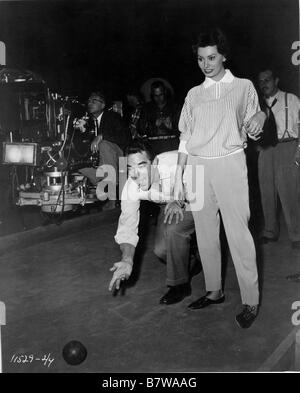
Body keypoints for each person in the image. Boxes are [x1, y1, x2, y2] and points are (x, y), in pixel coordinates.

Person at [173, 28, 267, 329]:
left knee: (238, 233)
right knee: (205, 233)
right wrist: (179, 180)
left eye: (212, 57)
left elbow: (256, 122)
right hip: (198, 167)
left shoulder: (243, 87)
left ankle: (250, 300)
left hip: (229, 163)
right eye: (200, 59)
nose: (206, 64)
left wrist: (260, 119)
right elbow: (185, 141)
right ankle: (214, 291)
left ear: (224, 55)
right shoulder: (193, 94)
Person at [109, 140, 200, 305]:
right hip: (167, 203)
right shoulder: (131, 185)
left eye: (142, 165)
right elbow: (127, 227)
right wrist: (127, 258)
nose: (135, 174)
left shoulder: (174, 164)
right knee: (161, 250)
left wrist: (178, 200)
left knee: (173, 230)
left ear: (155, 163)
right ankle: (192, 255)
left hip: (196, 196)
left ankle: (180, 285)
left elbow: (201, 183)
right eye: (130, 168)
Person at [257, 68, 300, 249]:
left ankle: (297, 235)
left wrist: (299, 150)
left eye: (267, 79)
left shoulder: (291, 99)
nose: (264, 83)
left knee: (290, 192)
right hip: (266, 150)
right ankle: (270, 231)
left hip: (287, 146)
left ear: (276, 80)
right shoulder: (256, 104)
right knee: (266, 192)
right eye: (261, 81)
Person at [74, 90, 131, 207]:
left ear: (103, 105)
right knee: (76, 166)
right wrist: (81, 132)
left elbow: (125, 137)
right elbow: (85, 146)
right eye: (89, 100)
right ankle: (98, 185)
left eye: (94, 100)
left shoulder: (113, 117)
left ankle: (111, 192)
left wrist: (102, 136)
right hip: (100, 161)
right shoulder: (88, 121)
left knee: (104, 144)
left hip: (119, 157)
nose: (90, 103)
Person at [138, 81, 180, 154]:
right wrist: (153, 124)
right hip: (153, 146)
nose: (158, 98)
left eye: (161, 95)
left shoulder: (175, 107)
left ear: (165, 93)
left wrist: (172, 126)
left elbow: (184, 129)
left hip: (172, 144)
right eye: (155, 95)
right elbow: (140, 129)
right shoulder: (147, 108)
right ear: (152, 95)